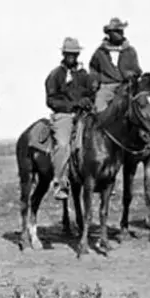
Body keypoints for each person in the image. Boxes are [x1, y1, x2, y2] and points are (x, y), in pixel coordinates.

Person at [44, 37, 96, 200]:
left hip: (84, 113)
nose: (71, 56)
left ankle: (102, 178)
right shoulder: (55, 75)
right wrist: (72, 105)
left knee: (99, 138)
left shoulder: (83, 74)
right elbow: (51, 100)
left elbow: (90, 93)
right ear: (64, 54)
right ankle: (60, 183)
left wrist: (89, 100)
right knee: (63, 144)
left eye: (74, 53)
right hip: (64, 115)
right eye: (68, 54)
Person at [89, 17, 142, 112]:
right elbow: (94, 68)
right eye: (117, 31)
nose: (120, 33)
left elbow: (136, 69)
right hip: (108, 86)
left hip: (127, 86)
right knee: (99, 104)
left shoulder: (130, 51)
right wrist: (95, 82)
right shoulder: (100, 52)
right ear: (110, 33)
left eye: (121, 31)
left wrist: (132, 75)